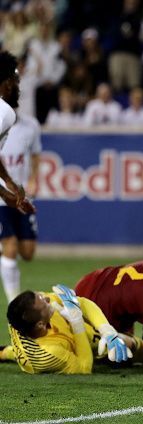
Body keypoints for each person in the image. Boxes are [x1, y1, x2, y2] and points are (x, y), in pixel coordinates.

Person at [2, 285, 134, 374]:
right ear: (40, 325)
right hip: (52, 349)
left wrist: (107, 331)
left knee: (112, 337)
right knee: (125, 343)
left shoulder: (22, 314)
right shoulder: (47, 354)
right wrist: (76, 321)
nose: (48, 298)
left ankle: (4, 352)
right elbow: (84, 368)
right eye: (44, 302)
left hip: (44, 337)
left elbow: (82, 303)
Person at [0, 111, 41, 302]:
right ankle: (12, 300)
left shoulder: (31, 125)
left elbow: (35, 155)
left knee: (27, 252)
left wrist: (33, 178)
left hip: (22, 196)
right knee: (10, 245)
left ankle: (5, 257)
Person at [0, 51, 36, 215]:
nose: (18, 87)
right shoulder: (5, 111)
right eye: (16, 80)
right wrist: (6, 194)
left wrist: (9, 181)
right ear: (7, 83)